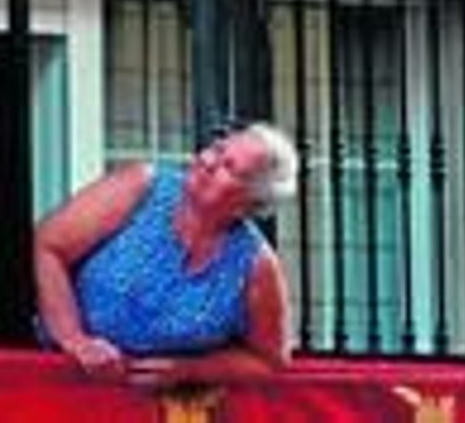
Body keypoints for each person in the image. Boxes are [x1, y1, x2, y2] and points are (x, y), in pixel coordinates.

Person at [33, 122, 297, 388]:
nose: (208, 162)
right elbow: (48, 246)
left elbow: (270, 361)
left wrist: (193, 370)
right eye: (217, 150)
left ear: (248, 203)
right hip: (63, 377)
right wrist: (75, 340)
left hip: (161, 402)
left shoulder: (255, 264)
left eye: (229, 167)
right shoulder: (142, 187)